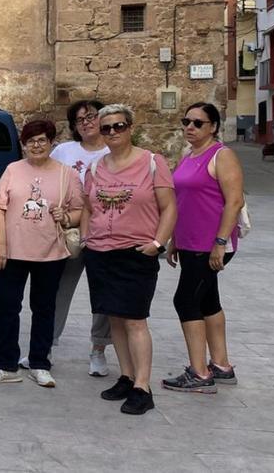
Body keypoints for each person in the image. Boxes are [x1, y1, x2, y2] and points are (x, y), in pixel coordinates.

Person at [81, 104, 176, 415]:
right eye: (106, 128)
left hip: (136, 252)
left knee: (135, 319)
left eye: (118, 126)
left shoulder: (152, 162)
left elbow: (169, 207)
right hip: (100, 252)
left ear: (130, 127)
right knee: (115, 318)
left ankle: (143, 386)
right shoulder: (96, 167)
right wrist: (85, 239)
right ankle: (126, 375)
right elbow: (86, 206)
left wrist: (158, 243)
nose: (112, 132)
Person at [0, 120, 83, 388]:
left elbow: (79, 211)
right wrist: (0, 245)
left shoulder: (66, 174)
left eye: (42, 140)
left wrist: (67, 217)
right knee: (7, 307)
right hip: (12, 252)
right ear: (24, 145)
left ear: (51, 143)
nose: (36, 145)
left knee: (44, 309)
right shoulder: (13, 169)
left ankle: (40, 363)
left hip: (50, 252)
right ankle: (5, 365)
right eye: (30, 141)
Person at [162, 103, 244, 394]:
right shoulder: (188, 155)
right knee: (208, 300)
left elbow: (235, 201)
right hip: (189, 242)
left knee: (185, 301)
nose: (190, 127)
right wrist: (174, 239)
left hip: (211, 244)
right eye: (187, 121)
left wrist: (220, 243)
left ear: (213, 127)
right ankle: (221, 365)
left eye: (198, 123)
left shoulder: (222, 155)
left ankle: (200, 373)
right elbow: (183, 201)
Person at [50, 99, 113, 377]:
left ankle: (98, 349)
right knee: (57, 289)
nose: (86, 122)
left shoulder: (114, 151)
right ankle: (46, 343)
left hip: (105, 232)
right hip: (68, 231)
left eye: (91, 116)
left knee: (103, 294)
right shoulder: (64, 151)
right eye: (79, 120)